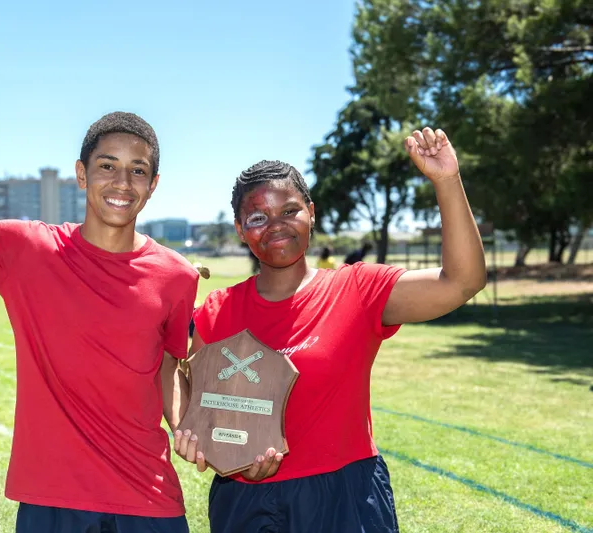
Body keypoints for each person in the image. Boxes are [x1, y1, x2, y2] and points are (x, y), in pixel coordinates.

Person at [0, 68, 199, 532]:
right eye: (107, 165)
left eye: (138, 170)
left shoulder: (178, 275)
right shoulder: (27, 249)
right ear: (81, 175)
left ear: (153, 185)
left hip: (148, 496)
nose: (122, 182)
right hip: (53, 498)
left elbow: (166, 368)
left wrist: (193, 426)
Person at [171, 127, 486, 532]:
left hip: (345, 495)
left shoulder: (357, 289)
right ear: (239, 228)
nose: (276, 226)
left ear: (311, 212)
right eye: (258, 217)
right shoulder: (217, 312)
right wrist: (232, 461)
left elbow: (462, 282)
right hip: (243, 501)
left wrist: (447, 181)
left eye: (289, 211)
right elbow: (207, 413)